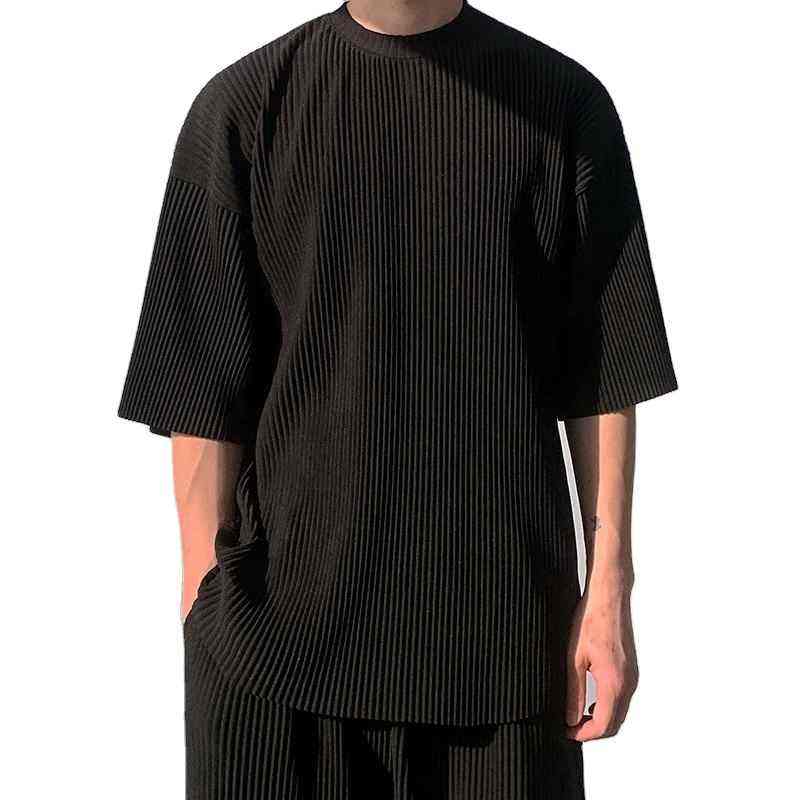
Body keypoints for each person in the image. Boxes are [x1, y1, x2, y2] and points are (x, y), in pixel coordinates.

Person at [117, 1, 677, 797]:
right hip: (275, 657)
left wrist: (609, 591)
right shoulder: (244, 107)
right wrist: (203, 607)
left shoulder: (563, 106)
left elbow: (604, 372)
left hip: (504, 650)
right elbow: (201, 388)